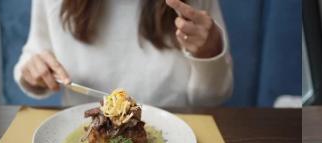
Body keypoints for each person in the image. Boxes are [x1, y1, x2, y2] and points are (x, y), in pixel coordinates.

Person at [15, 0, 232, 107]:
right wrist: (34, 72)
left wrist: (209, 52)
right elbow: (33, 55)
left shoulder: (191, 5)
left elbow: (212, 97)